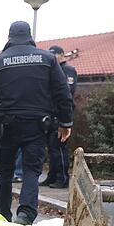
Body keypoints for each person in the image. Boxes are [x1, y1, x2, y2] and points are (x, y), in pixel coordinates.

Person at [0, 21, 73, 226]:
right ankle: (26, 214)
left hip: (6, 125)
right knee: (31, 170)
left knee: (5, 172)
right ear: (30, 36)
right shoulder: (47, 59)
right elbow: (62, 93)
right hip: (37, 125)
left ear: (9, 37)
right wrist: (65, 122)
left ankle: (1, 213)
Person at [40, 45, 78, 189]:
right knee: (51, 148)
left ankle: (62, 178)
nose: (51, 57)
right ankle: (51, 177)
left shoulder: (67, 70)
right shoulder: (51, 70)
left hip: (60, 115)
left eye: (53, 55)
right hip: (50, 114)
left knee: (59, 148)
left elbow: (67, 92)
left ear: (61, 55)